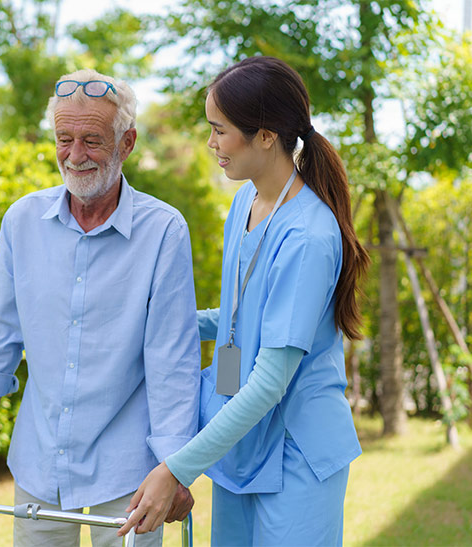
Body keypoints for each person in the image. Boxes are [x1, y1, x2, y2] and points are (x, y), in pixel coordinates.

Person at [0, 68, 201, 547]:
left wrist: (174, 467)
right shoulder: (21, 221)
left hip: (129, 471)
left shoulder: (164, 230)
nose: (75, 156)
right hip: (39, 463)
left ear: (127, 143)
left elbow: (173, 363)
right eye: (64, 139)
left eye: (93, 141)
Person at [118, 56, 370, 546]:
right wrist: (150, 324)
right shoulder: (245, 203)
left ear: (267, 135)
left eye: (220, 131)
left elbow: (269, 384)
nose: (211, 144)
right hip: (243, 443)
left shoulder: (308, 236)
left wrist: (177, 468)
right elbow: (236, 322)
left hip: (297, 452)